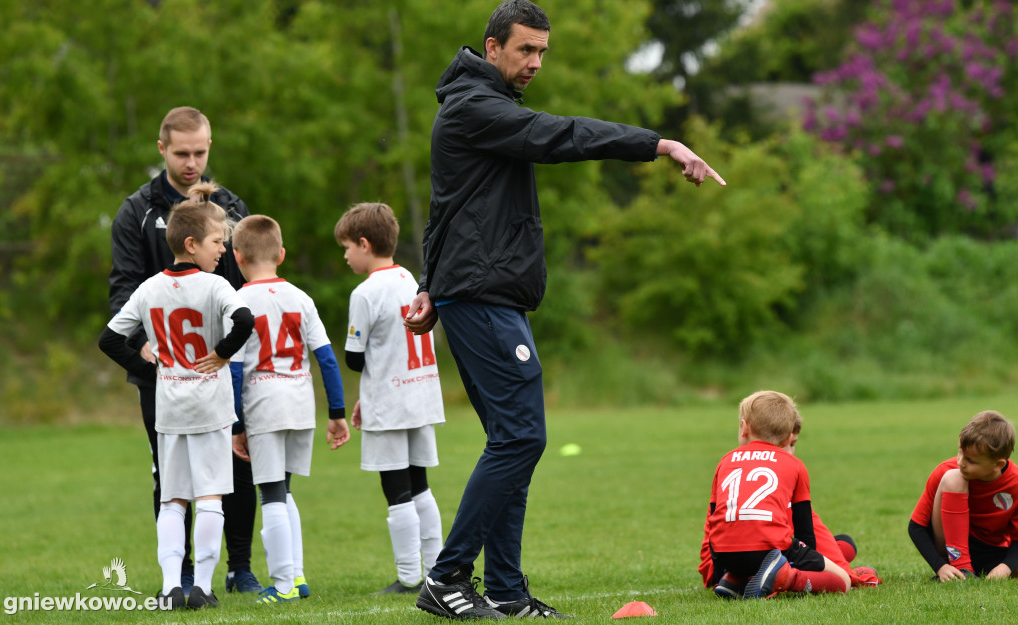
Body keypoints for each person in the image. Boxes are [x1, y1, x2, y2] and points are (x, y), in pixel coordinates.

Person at [405, 0, 725, 619]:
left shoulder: (479, 107)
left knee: (512, 438)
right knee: (522, 437)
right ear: (492, 47)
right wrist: (658, 144)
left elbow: (445, 208)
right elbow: (561, 135)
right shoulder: (476, 107)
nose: (535, 63)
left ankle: (503, 589)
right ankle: (448, 578)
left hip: (478, 290)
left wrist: (428, 283)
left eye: (542, 52)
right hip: (483, 293)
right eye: (525, 50)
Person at [108, 106, 263, 595]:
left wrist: (226, 349)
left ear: (210, 146)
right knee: (171, 479)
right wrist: (143, 346)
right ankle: (186, 576)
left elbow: (245, 284)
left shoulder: (230, 207)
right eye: (182, 153)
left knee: (238, 465)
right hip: (163, 372)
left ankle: (240, 568)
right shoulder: (137, 211)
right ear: (162, 150)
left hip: (224, 369)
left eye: (200, 151)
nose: (192, 162)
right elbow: (123, 292)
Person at [228, 214, 351, 604]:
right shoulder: (301, 297)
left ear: (237, 256)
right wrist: (336, 411)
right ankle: (296, 576)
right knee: (284, 490)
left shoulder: (238, 301)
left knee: (271, 495)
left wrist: (235, 423)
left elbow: (233, 370)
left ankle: (283, 585)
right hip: (300, 405)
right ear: (281, 254)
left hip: (263, 405)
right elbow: (327, 359)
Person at [335, 203, 447, 595]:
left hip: (389, 402)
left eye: (347, 247)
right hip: (422, 395)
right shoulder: (414, 282)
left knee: (396, 489)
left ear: (365, 245)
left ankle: (409, 578)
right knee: (421, 485)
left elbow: (353, 357)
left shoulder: (365, 292)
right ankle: (437, 571)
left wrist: (370, 386)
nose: (346, 255)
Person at [699, 414, 880, 597]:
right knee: (843, 581)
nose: (791, 452)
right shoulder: (788, 466)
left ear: (744, 427)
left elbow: (714, 527)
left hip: (723, 560)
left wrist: (719, 571)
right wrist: (842, 572)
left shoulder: (726, 462)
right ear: (784, 437)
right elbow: (808, 534)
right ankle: (784, 577)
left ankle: (737, 581)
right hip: (758, 552)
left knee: (845, 544)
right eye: (790, 444)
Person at [908, 410, 1018, 581]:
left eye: (971, 461)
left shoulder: (1015, 483)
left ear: (998, 464)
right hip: (948, 548)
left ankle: (976, 571)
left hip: (990, 550)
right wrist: (940, 566)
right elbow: (916, 527)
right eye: (960, 452)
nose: (960, 462)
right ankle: (961, 568)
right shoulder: (947, 470)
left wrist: (1005, 567)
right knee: (954, 478)